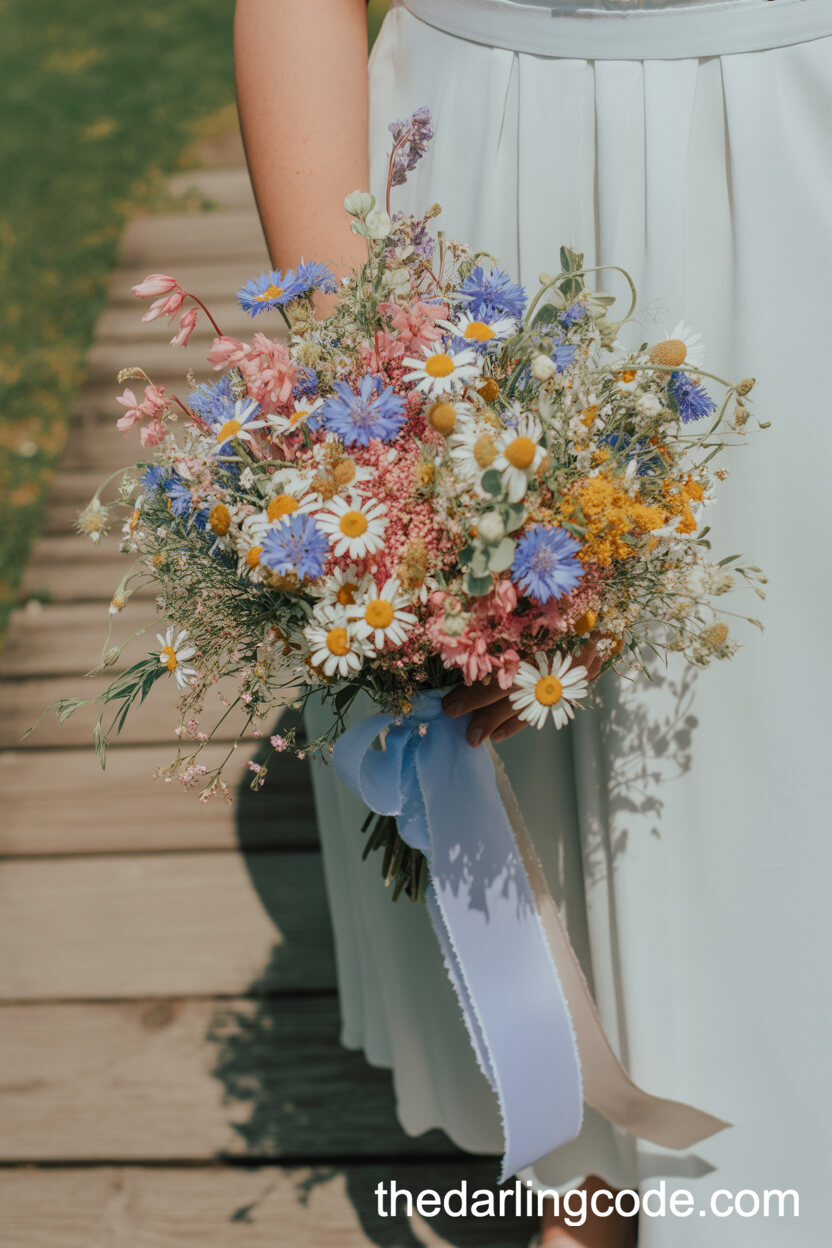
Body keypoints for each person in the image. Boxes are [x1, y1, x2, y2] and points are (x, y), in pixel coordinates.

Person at [234, 2, 832, 1244]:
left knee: (781, 722)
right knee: (522, 736)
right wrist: (362, 378)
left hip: (801, 149)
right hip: (477, 171)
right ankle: (590, 1179)